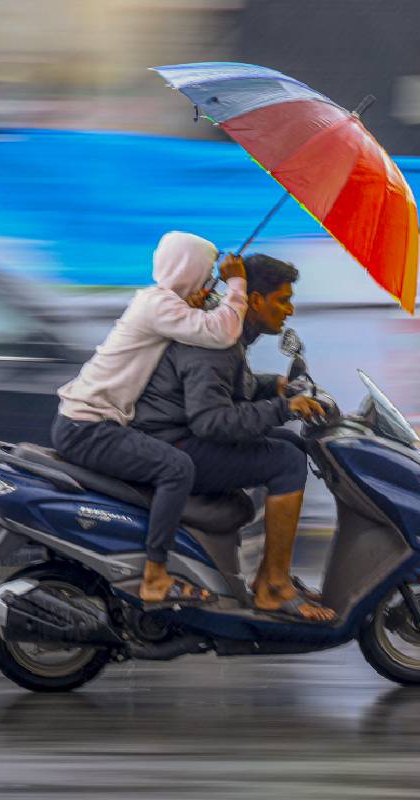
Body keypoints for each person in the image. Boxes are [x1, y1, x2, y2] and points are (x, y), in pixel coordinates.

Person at [132, 254, 335, 622]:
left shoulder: (232, 333)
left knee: (291, 445)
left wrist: (274, 386)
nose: (289, 310)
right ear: (255, 300)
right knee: (285, 461)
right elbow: (212, 420)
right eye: (282, 300)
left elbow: (223, 388)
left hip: (181, 433)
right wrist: (284, 409)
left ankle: (272, 572)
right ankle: (272, 587)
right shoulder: (218, 341)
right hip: (172, 444)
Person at [51, 231, 247, 605]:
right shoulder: (158, 306)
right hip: (88, 427)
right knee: (177, 469)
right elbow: (222, 331)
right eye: (206, 278)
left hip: (86, 422)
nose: (207, 288)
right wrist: (236, 282)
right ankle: (155, 576)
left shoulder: (160, 304)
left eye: (211, 281)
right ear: (187, 272)